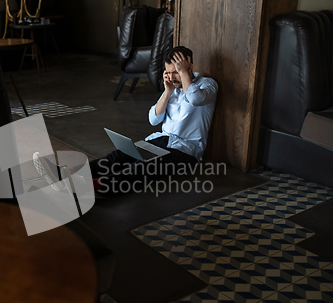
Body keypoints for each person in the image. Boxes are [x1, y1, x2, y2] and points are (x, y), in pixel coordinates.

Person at [33, 46, 218, 194]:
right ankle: (66, 174)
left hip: (185, 151)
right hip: (160, 140)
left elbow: (195, 99)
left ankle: (85, 186)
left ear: (189, 67)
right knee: (119, 156)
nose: (171, 76)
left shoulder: (207, 85)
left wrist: (183, 72)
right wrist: (168, 92)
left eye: (176, 72)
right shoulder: (172, 88)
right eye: (168, 72)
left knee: (141, 168)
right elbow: (154, 119)